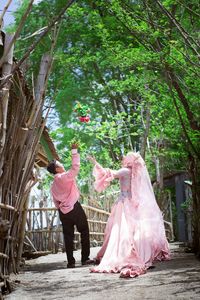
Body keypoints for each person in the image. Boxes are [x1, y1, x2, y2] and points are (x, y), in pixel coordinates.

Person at [88, 152, 170, 278]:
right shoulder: (136, 174)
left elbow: (110, 173)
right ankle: (131, 249)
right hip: (131, 203)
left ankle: (122, 252)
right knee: (131, 229)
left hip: (124, 203)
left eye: (126, 157)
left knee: (120, 230)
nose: (123, 158)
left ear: (129, 161)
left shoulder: (125, 171)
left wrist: (95, 163)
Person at [47, 143, 93, 268]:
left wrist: (62, 208)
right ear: (57, 169)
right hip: (74, 208)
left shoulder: (53, 185)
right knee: (84, 231)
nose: (61, 164)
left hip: (63, 211)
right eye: (59, 163)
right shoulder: (64, 177)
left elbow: (55, 201)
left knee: (68, 236)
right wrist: (74, 151)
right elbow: (75, 168)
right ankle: (85, 258)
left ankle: (71, 262)